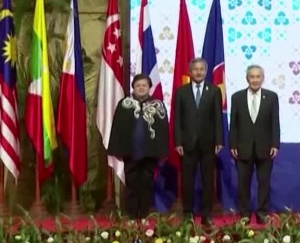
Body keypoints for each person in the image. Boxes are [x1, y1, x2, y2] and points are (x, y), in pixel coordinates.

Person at [107, 74, 169, 220]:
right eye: (138, 85)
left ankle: (144, 215)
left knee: (147, 185)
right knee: (131, 184)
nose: (141, 88)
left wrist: (162, 152)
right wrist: (116, 150)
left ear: (149, 88)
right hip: (130, 152)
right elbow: (117, 128)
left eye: (144, 85)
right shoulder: (124, 104)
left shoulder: (158, 106)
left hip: (150, 153)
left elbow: (163, 130)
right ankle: (132, 216)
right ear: (133, 87)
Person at [171, 57, 223, 226]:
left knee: (208, 181)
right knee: (188, 180)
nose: (199, 72)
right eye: (195, 69)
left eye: (201, 69)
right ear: (190, 72)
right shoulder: (181, 91)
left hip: (209, 143)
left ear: (206, 71)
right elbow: (177, 119)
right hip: (187, 144)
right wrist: (178, 142)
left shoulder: (214, 91)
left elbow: (218, 118)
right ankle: (188, 213)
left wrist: (219, 141)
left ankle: (206, 214)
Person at [229, 65, 280, 224]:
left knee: (264, 182)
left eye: (258, 77)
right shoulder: (237, 97)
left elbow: (275, 122)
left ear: (263, 78)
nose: (255, 80)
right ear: (247, 78)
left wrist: (275, 144)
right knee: (243, 183)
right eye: (252, 77)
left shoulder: (271, 97)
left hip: (265, 148)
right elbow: (234, 123)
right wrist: (233, 145)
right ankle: (244, 213)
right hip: (242, 147)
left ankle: (262, 213)